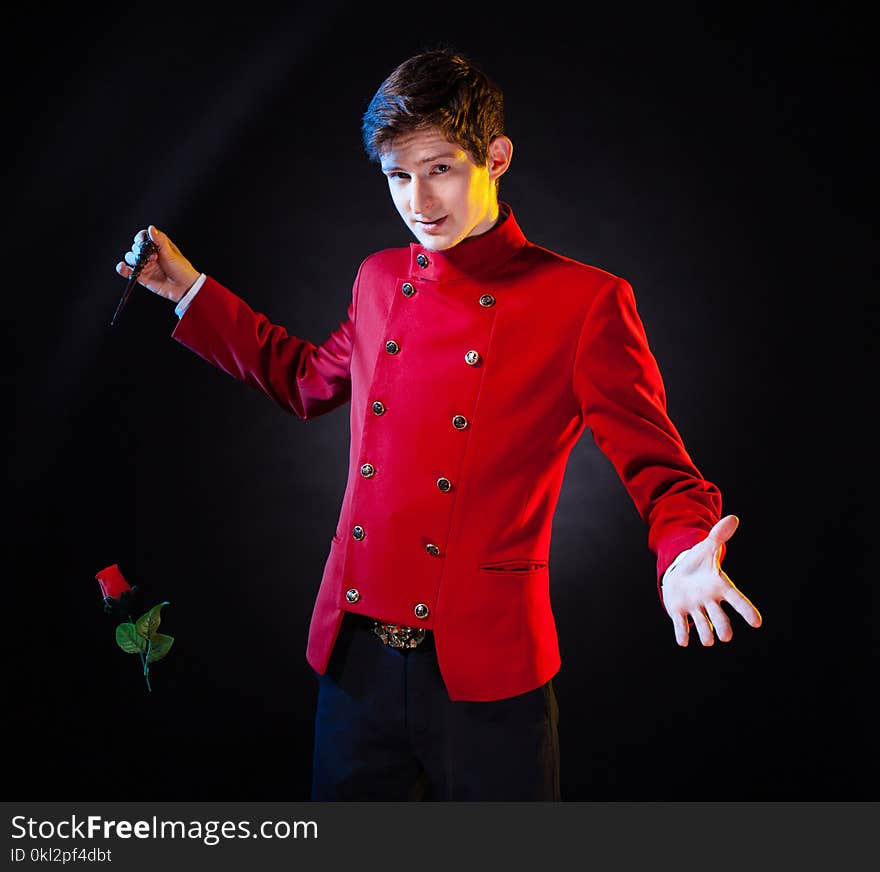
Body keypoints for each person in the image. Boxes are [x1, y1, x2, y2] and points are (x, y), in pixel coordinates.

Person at [115, 48, 762, 801]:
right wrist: (187, 290)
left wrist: (684, 549)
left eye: (440, 169)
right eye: (398, 175)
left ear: (496, 156)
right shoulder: (378, 277)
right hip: (353, 668)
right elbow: (304, 380)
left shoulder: (584, 302)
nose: (419, 200)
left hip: (487, 678)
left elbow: (663, 472)